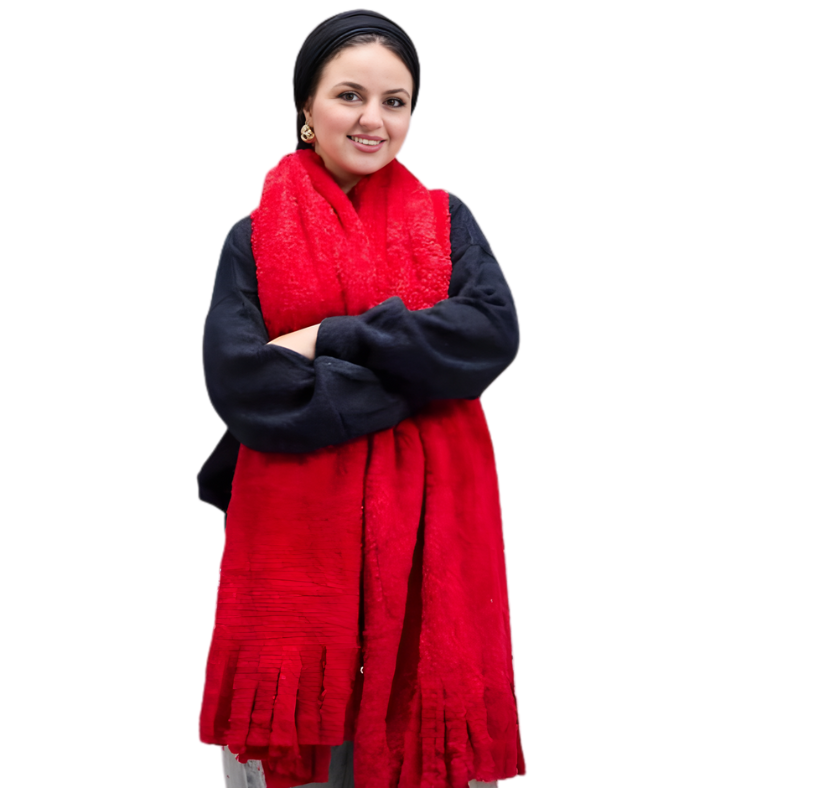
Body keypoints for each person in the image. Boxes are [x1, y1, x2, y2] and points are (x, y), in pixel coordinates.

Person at [197, 10, 526, 788]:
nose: (373, 118)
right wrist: (422, 377)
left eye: (395, 101)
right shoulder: (253, 239)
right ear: (306, 109)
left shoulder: (447, 222)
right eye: (350, 95)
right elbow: (246, 385)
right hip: (295, 546)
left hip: (434, 535)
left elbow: (489, 335)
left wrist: (326, 336)